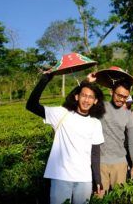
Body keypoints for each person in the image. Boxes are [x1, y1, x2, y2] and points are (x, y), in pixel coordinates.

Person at [26, 73, 105, 204]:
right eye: (83, 95)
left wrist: (97, 179)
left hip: (84, 179)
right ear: (76, 97)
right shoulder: (62, 113)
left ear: (95, 101)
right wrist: (45, 79)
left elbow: (95, 153)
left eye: (91, 97)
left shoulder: (95, 123)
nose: (86, 100)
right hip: (61, 177)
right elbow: (31, 105)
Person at [87, 74, 133, 196]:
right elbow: (81, 100)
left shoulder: (128, 115)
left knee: (119, 197)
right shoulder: (100, 107)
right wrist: (88, 82)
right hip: (100, 163)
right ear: (111, 92)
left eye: (125, 97)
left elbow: (132, 141)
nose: (121, 99)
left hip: (120, 164)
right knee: (99, 197)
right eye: (119, 95)